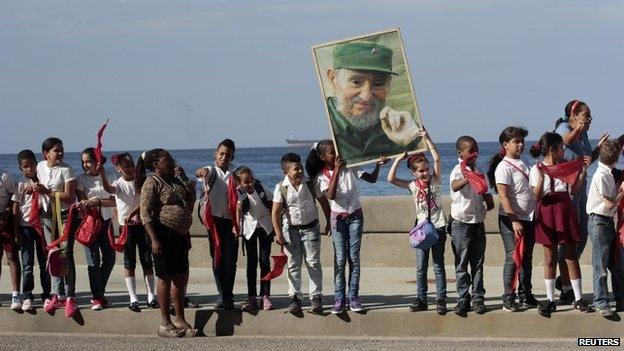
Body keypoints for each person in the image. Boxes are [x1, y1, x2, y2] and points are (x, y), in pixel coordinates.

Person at [306, 139, 387, 314]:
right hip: (338, 219)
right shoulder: (321, 176)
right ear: (322, 156)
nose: (336, 155)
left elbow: (371, 179)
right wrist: (336, 170)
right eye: (331, 153)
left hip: (355, 215)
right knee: (340, 259)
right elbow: (331, 195)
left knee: (354, 258)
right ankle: (339, 298)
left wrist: (378, 165)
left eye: (337, 150)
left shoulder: (351, 166)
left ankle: (353, 297)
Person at [553, 99, 613, 303]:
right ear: (573, 115)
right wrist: (577, 130)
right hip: (567, 191)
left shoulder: (584, 133)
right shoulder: (563, 128)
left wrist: (598, 148)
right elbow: (566, 141)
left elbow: (588, 159)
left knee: (581, 237)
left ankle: (564, 278)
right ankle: (566, 288)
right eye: (586, 115)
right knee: (568, 241)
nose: (590, 119)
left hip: (580, 190)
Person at [325, 42, 422, 164]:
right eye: (356, 82)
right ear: (333, 78)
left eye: (378, 84)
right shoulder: (324, 124)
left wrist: (413, 140)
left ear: (388, 84)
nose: (367, 97)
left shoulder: (396, 129)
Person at [528, 132, 592, 316]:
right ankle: (550, 299)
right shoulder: (536, 168)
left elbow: (574, 190)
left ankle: (578, 298)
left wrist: (581, 172)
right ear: (552, 149)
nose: (563, 150)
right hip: (547, 210)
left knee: (571, 255)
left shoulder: (565, 167)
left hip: (564, 209)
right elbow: (537, 196)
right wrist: (541, 177)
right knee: (550, 258)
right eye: (561, 148)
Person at [387, 127, 448, 314]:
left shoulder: (435, 182)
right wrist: (398, 159)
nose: (425, 173)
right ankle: (421, 299)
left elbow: (437, 158)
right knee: (421, 268)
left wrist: (427, 139)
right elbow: (391, 179)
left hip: (438, 227)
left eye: (426, 169)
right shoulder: (412, 186)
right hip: (421, 230)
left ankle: (440, 299)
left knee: (438, 265)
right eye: (421, 171)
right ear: (414, 173)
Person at [138, 148, 196, 337]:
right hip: (161, 235)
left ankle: (180, 318)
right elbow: (145, 213)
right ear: (156, 165)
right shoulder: (151, 182)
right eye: (167, 160)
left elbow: (190, 200)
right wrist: (154, 239)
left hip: (179, 236)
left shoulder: (175, 181)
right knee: (165, 276)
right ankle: (165, 323)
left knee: (180, 277)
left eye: (171, 159)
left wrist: (186, 179)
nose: (172, 162)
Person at [271, 153, 331, 314]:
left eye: (300, 167)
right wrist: (278, 234)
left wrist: (328, 222)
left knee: (313, 263)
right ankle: (294, 298)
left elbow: (323, 202)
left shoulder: (311, 184)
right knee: (293, 265)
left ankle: (316, 297)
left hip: (311, 228)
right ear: (286, 172)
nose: (299, 171)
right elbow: (275, 212)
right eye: (295, 169)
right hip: (291, 230)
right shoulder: (280, 188)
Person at [487, 127, 537, 312]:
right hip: (511, 220)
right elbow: (504, 196)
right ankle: (508, 297)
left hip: (529, 217)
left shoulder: (524, 162)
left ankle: (526, 295)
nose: (521, 145)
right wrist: (514, 220)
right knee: (512, 257)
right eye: (516, 141)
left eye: (522, 141)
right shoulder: (504, 167)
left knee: (527, 258)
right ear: (505, 145)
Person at [100, 152, 158, 312]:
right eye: (126, 166)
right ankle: (133, 298)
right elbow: (108, 188)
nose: (130, 168)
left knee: (147, 260)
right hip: (126, 228)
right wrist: (102, 174)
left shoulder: (141, 181)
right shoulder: (118, 184)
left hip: (143, 224)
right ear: (118, 169)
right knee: (129, 262)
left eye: (132, 165)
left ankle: (151, 295)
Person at [449, 136, 495, 316]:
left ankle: (478, 298)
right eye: (470, 150)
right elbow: (454, 186)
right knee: (462, 263)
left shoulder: (477, 168)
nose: (474, 152)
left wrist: (487, 198)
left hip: (477, 221)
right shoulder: (457, 170)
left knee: (478, 263)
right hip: (461, 222)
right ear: (460, 153)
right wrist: (468, 177)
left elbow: (483, 188)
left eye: (476, 148)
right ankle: (462, 299)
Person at [37, 137, 79, 317]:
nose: (61, 153)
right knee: (53, 254)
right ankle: (57, 294)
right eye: (56, 150)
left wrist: (47, 192)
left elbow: (70, 196)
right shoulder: (40, 166)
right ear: (46, 153)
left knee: (66, 253)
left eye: (62, 149)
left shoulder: (67, 169)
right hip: (47, 216)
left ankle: (70, 296)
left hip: (64, 216)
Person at [195, 138, 239, 310]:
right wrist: (201, 172)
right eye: (221, 154)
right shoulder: (211, 170)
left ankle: (229, 295)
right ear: (215, 154)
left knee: (231, 260)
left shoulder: (236, 172)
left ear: (232, 157)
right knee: (217, 259)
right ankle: (222, 295)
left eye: (227, 155)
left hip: (231, 221)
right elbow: (203, 171)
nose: (224, 158)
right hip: (213, 221)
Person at [585, 139, 624, 318]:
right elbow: (609, 204)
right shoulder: (602, 175)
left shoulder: (607, 173)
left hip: (606, 222)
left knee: (614, 264)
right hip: (599, 221)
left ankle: (620, 297)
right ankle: (601, 302)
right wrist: (622, 192)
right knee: (600, 265)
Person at [76, 147, 116, 311]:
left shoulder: (110, 176)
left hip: (106, 221)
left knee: (110, 258)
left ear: (97, 162)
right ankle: (97, 297)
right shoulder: (81, 179)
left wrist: (97, 202)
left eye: (89, 161)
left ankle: (99, 292)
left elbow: (113, 201)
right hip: (89, 223)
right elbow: (83, 202)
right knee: (93, 261)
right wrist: (91, 203)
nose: (85, 165)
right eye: (83, 162)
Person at [12, 150, 51, 311]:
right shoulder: (20, 184)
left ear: (37, 163)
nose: (29, 169)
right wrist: (16, 232)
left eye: (32, 165)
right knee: (27, 264)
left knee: (45, 263)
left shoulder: (44, 180)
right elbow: (15, 207)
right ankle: (27, 295)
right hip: (25, 226)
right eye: (25, 167)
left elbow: (50, 199)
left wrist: (42, 189)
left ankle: (47, 294)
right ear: (21, 168)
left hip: (42, 226)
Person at [234, 166, 274, 312]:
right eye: (246, 182)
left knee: (264, 261)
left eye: (251, 180)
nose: (250, 184)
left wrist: (276, 225)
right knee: (251, 264)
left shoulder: (262, 187)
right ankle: (252, 297)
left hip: (265, 225)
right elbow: (238, 209)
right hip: (249, 228)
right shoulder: (238, 192)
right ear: (239, 183)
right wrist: (236, 225)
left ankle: (265, 296)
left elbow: (273, 204)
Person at [0, 166, 21, 310]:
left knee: (12, 256)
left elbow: (15, 198)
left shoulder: (5, 177)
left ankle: (16, 294)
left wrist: (7, 213)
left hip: (5, 220)